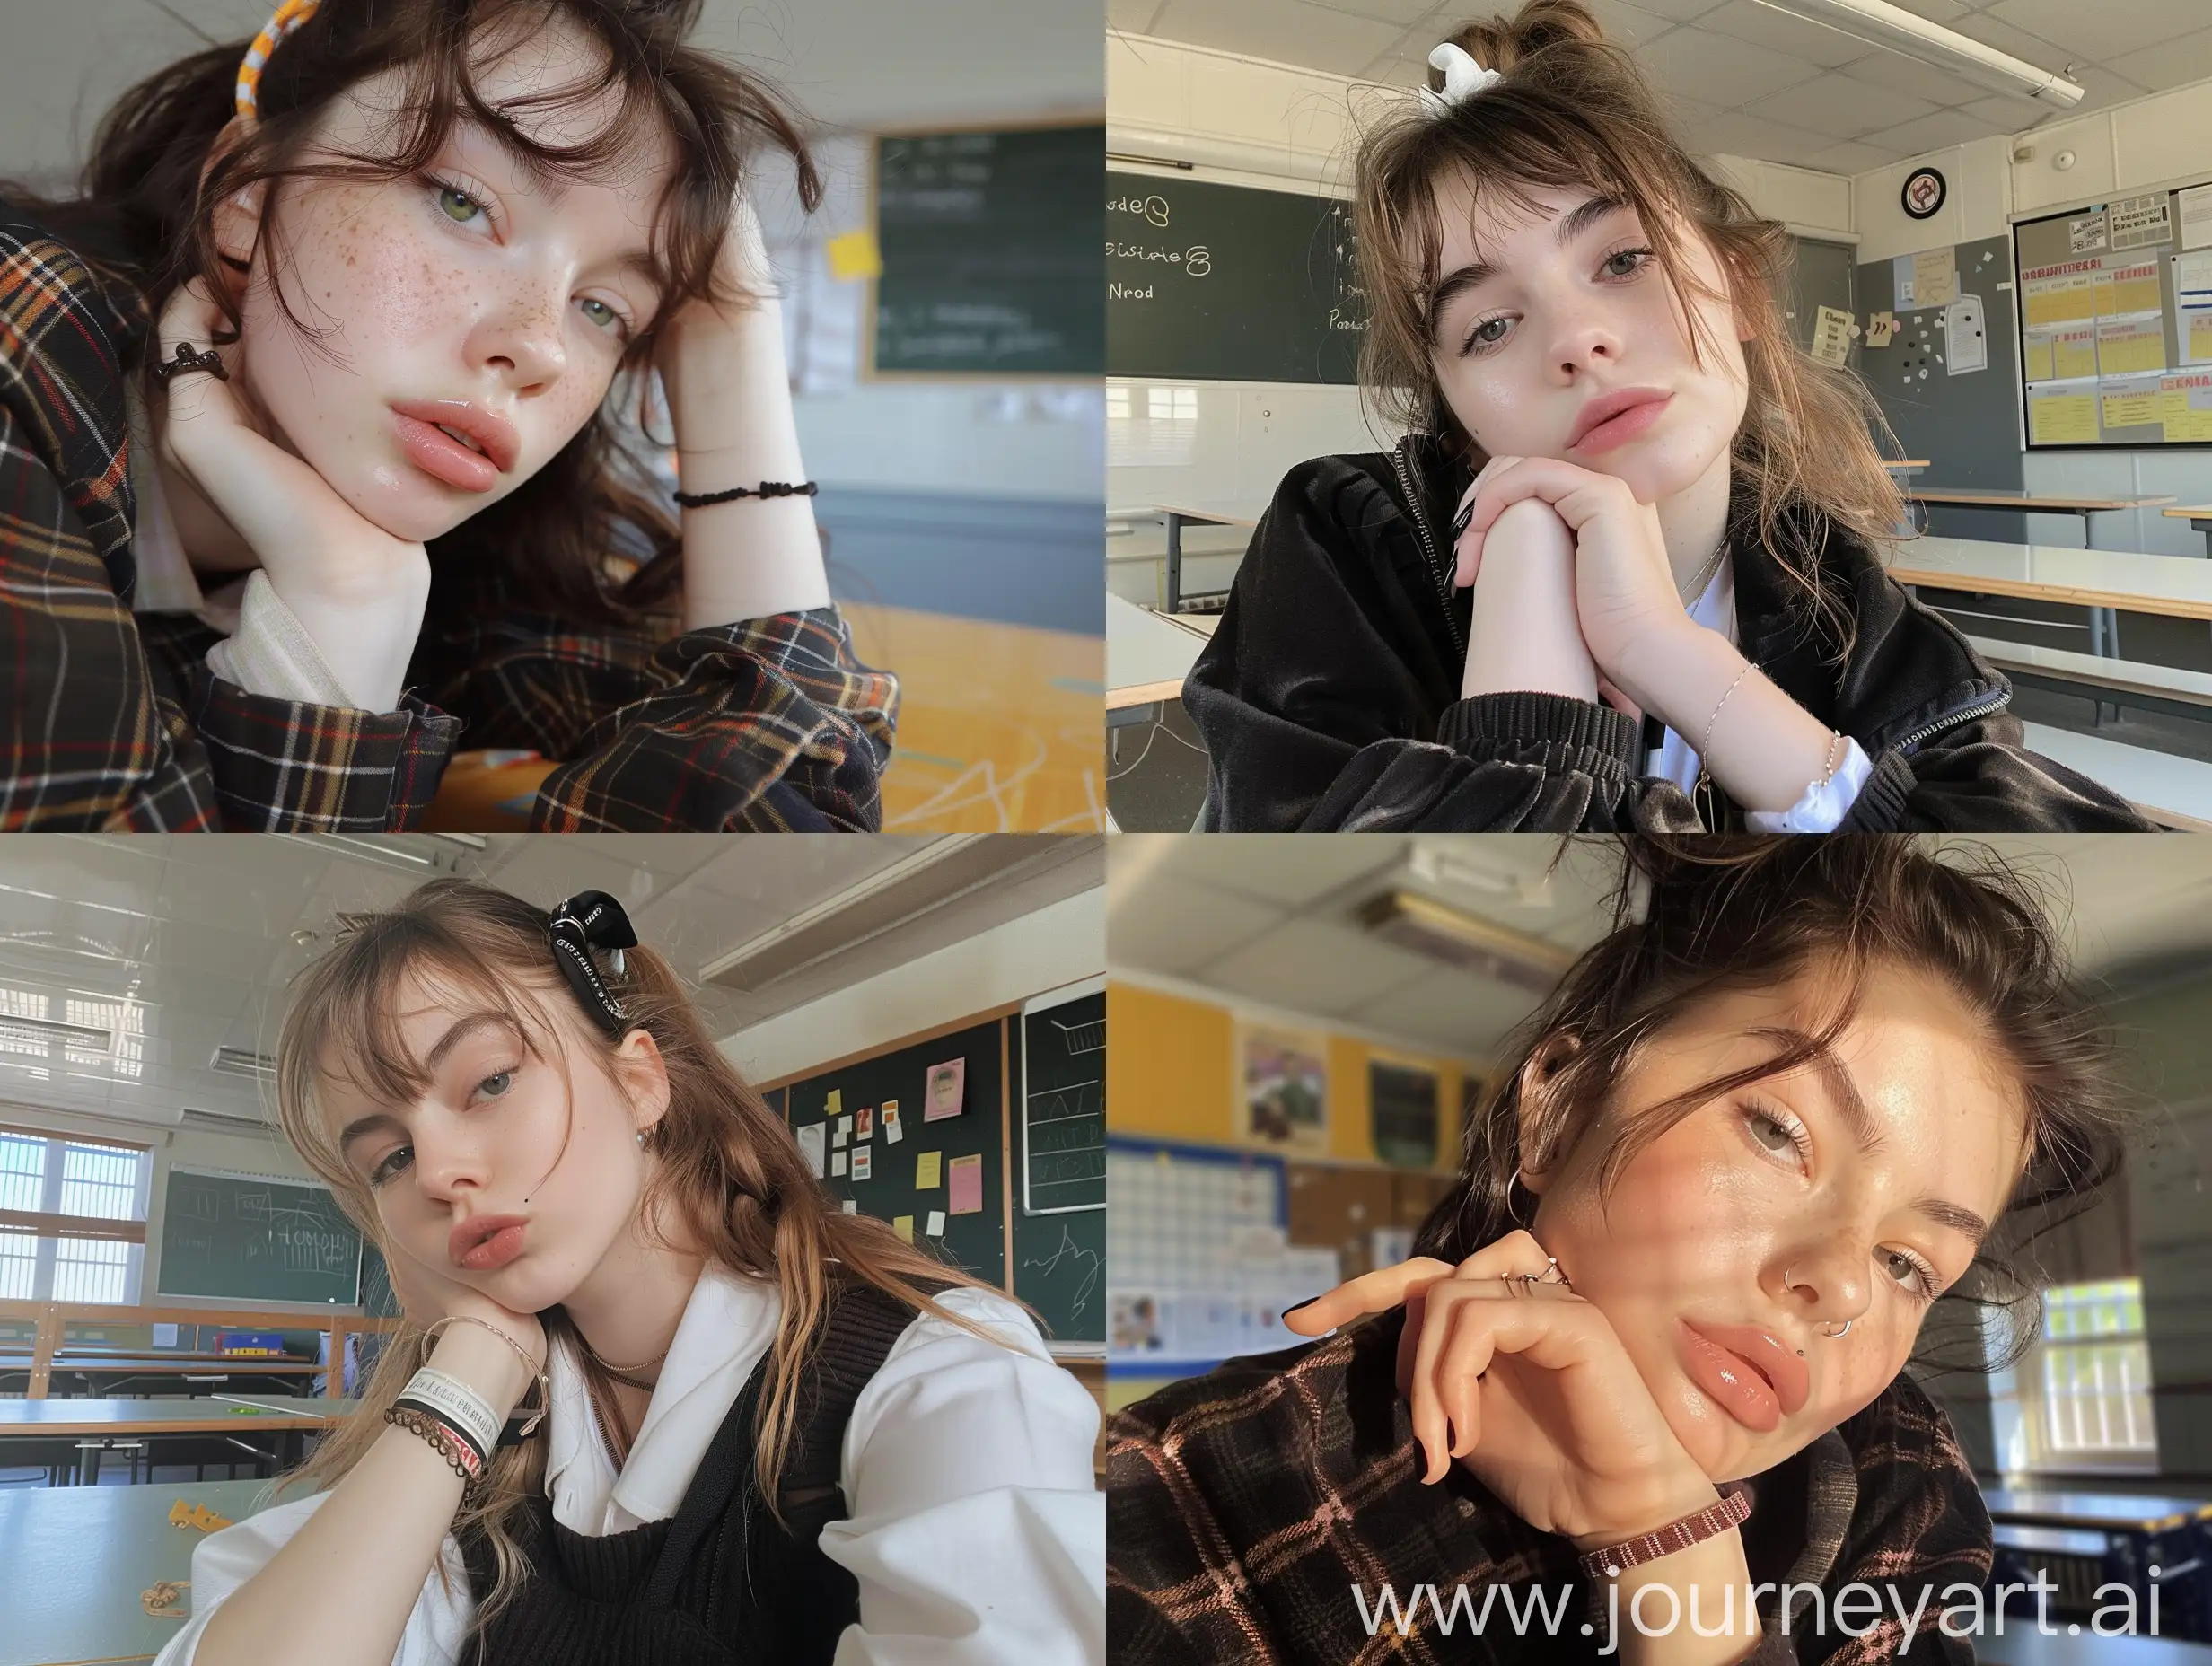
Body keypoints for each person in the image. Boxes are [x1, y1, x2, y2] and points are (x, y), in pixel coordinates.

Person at [1108, 837, 2134, 1662]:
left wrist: (1668, 1559)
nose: (1838, 1282)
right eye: (1778, 1131)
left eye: (1909, 1261)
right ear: (1555, 1111)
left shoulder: (1891, 1481)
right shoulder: (1174, 1494)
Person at [1182, 0, 2152, 833]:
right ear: (1457, 411)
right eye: (1489, 326)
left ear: (1737, 286)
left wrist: (1672, 657)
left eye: (1620, 260)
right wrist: (1524, 596)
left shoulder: (1826, 576)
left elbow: (2039, 912)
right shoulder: (1347, 535)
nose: (1575, 340)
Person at [155, 880, 1102, 1666]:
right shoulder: (479, 1433)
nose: (440, 1173)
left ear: (640, 1079)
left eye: (488, 1082)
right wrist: (474, 1363)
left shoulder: (928, 1365)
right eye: (389, 1159)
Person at [1, 0, 894, 831]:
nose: (539, 349)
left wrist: (733, 341)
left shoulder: (476, 558)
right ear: (244, 186)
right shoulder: (20, 342)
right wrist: (332, 633)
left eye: (606, 310)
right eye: (463, 203)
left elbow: (783, 825)